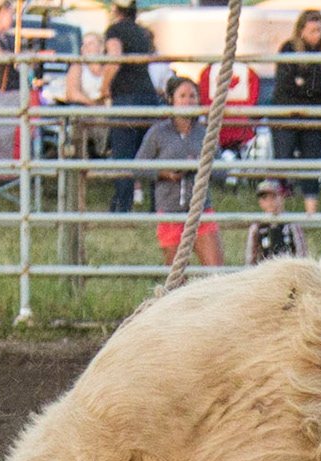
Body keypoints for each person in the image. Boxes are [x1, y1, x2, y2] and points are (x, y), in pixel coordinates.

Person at [136, 75, 223, 269]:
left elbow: (222, 173)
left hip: (201, 211)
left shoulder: (205, 133)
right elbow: (138, 167)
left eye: (192, 96)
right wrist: (164, 173)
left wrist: (201, 168)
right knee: (176, 276)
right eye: (182, 96)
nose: (188, 101)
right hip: (170, 211)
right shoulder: (158, 133)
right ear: (171, 100)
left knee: (217, 272)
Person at [271, 8, 321, 220]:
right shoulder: (288, 49)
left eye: (319, 30)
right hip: (286, 115)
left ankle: (311, 214)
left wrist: (304, 83)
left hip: (314, 116)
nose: (316, 35)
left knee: (311, 162)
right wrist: (317, 85)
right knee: (283, 160)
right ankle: (277, 212)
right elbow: (287, 83)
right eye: (312, 30)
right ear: (301, 30)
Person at [102, 0, 160, 214]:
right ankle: (158, 206)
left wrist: (104, 86)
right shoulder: (142, 33)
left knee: (124, 154)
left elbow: (115, 59)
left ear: (116, 10)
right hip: (148, 95)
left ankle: (122, 206)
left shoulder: (115, 30)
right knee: (151, 152)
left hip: (126, 96)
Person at [246, 177, 307, 263]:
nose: (269, 202)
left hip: (288, 267)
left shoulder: (291, 224)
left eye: (273, 197)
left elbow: (302, 254)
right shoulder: (257, 227)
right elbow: (251, 258)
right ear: (260, 202)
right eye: (264, 198)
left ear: (282, 197)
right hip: (265, 269)